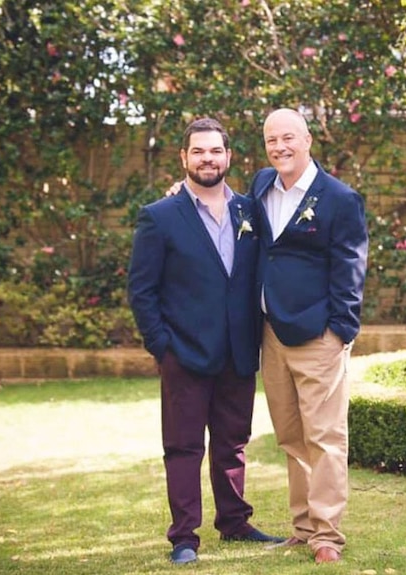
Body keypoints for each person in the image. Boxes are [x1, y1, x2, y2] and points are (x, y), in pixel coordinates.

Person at [127, 117, 285, 566]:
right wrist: (162, 345)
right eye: (198, 151)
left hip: (238, 351)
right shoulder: (159, 216)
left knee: (232, 443)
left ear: (228, 157)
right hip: (184, 354)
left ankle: (234, 523)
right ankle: (184, 538)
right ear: (184, 158)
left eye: (215, 151)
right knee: (183, 447)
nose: (207, 159)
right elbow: (142, 290)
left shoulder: (250, 211)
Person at [250, 108, 369, 564]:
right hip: (270, 335)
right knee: (290, 436)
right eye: (271, 140)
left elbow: (350, 268)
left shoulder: (339, 198)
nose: (279, 147)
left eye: (287, 138)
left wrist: (341, 330)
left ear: (307, 140)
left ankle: (327, 537)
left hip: (317, 336)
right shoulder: (262, 186)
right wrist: (183, 192)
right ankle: (302, 527)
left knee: (325, 438)